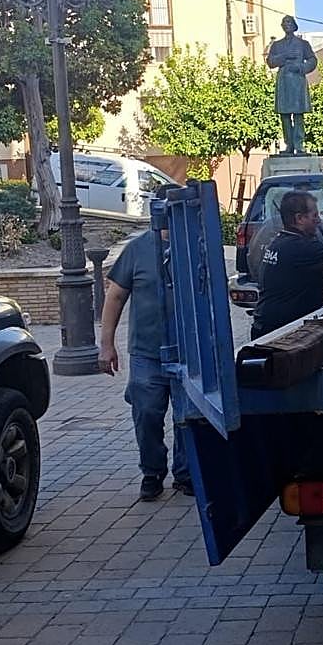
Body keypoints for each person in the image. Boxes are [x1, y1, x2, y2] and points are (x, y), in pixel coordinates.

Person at [99, 195, 191, 502]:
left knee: (186, 416)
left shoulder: (194, 245)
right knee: (148, 414)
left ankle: (185, 473)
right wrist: (106, 344)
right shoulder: (137, 250)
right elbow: (114, 297)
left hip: (189, 352)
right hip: (146, 352)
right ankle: (152, 472)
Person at [251, 189, 323, 340]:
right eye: (314, 215)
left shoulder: (279, 242)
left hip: (265, 325)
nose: (318, 220)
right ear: (299, 218)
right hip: (281, 332)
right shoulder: (302, 248)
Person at [266, 15, 318, 155]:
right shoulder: (277, 45)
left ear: (294, 25)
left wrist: (301, 67)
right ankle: (289, 145)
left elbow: (313, 60)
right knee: (284, 115)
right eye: (284, 22)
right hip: (283, 82)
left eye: (289, 22)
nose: (287, 24)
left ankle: (299, 145)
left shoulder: (303, 44)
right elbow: (270, 62)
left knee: (299, 114)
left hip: (298, 80)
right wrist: (284, 56)